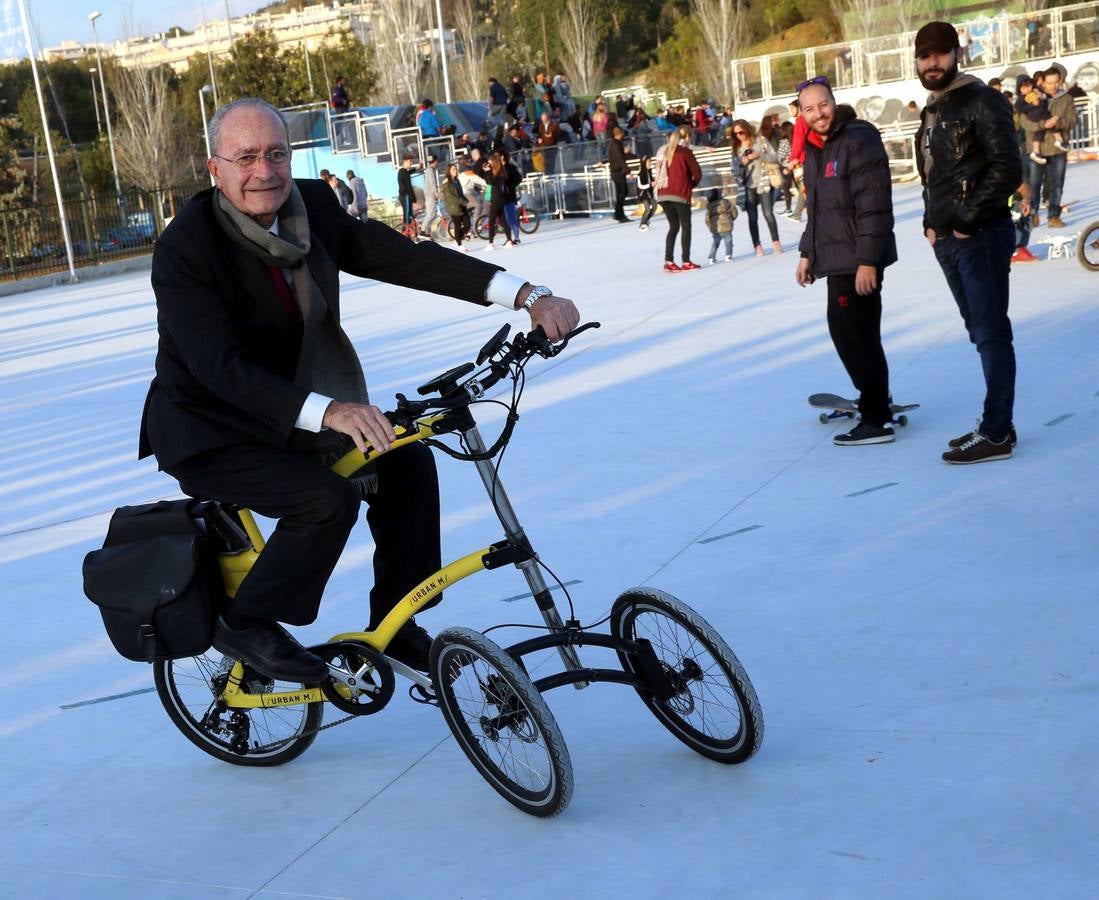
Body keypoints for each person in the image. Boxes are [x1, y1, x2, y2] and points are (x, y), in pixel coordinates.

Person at [140, 98, 580, 681]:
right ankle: (245, 621)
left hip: (292, 409)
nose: (264, 171)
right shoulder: (186, 249)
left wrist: (528, 295)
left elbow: (406, 259)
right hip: (211, 426)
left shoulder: (312, 207)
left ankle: (398, 623)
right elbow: (219, 369)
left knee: (408, 463)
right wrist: (332, 412)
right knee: (325, 500)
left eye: (275, 154)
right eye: (245, 157)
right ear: (214, 168)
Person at [914, 22, 1022, 464]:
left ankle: (997, 432)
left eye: (940, 54)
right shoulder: (933, 107)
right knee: (980, 331)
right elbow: (933, 173)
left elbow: (1007, 168)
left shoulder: (981, 98)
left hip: (980, 234)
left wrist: (964, 221)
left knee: (992, 332)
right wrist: (931, 222)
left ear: (956, 54)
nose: (932, 62)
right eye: (925, 55)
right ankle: (997, 425)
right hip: (950, 239)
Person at [795, 78, 898, 446]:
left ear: (833, 103)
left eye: (823, 105)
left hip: (857, 258)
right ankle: (876, 397)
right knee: (849, 334)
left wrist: (868, 261)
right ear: (802, 114)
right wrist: (807, 253)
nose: (818, 113)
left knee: (858, 337)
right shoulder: (815, 148)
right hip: (834, 257)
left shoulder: (858, 138)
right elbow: (817, 211)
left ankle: (876, 418)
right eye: (809, 109)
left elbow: (875, 203)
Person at [1022, 65, 1076, 226]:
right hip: (1037, 149)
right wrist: (1043, 125)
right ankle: (1033, 214)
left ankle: (1054, 216)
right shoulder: (1033, 97)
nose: (1052, 86)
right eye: (1049, 82)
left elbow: (1073, 120)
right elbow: (1025, 122)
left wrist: (1059, 122)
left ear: (1060, 82)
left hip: (1058, 149)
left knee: (1056, 184)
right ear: (1043, 82)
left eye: (1055, 82)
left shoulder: (1067, 99)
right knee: (1034, 184)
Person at [655, 126, 702, 272]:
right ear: (687, 137)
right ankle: (686, 261)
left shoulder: (664, 150)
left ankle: (669, 261)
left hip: (663, 192)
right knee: (686, 226)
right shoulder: (685, 152)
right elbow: (697, 174)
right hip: (679, 193)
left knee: (673, 227)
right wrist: (689, 185)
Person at [733, 119, 782, 256]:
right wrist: (743, 163)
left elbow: (774, 156)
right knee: (752, 218)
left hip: (763, 182)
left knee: (768, 214)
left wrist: (760, 155)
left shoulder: (760, 141)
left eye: (741, 132)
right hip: (748, 185)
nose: (739, 136)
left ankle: (776, 241)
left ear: (747, 129)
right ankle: (757, 245)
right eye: (735, 133)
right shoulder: (737, 148)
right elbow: (735, 170)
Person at [439, 162, 471, 251]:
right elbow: (451, 197)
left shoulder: (457, 180)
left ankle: (457, 240)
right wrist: (462, 201)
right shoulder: (447, 183)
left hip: (461, 205)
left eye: (456, 169)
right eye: (453, 169)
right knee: (457, 225)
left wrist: (465, 199)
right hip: (453, 207)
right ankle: (459, 244)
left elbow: (460, 193)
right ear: (449, 171)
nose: (455, 171)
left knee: (467, 225)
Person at [704, 188, 736, 264]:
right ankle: (728, 255)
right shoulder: (726, 203)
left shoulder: (709, 207)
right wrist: (731, 219)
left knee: (715, 242)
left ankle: (712, 257)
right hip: (726, 226)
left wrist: (710, 226)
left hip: (716, 228)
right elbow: (734, 211)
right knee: (728, 241)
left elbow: (707, 219)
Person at [607, 126, 630, 223]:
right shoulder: (616, 145)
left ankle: (618, 214)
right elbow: (619, 158)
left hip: (617, 171)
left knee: (622, 193)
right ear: (620, 133)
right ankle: (619, 215)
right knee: (622, 193)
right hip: (618, 172)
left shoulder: (614, 144)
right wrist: (627, 169)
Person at [636, 155, 657, 230]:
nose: (650, 163)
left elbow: (651, 182)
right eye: (648, 162)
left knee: (654, 206)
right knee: (647, 209)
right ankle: (642, 224)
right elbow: (640, 186)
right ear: (644, 163)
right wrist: (650, 184)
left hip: (649, 194)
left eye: (650, 162)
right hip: (643, 194)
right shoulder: (640, 174)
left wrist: (654, 183)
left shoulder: (649, 173)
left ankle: (646, 220)